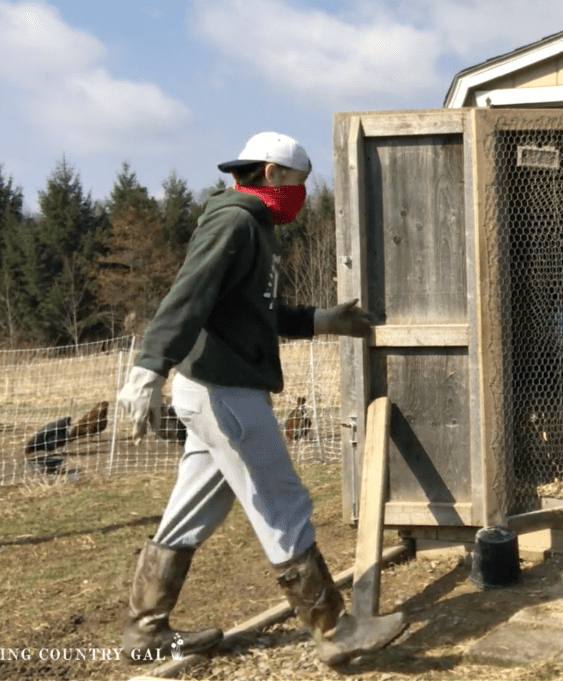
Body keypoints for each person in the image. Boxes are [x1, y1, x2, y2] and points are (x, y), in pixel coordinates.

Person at [115, 132, 406, 666]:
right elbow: (189, 293)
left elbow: (257, 314)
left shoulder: (256, 229)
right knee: (282, 501)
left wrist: (324, 321)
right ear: (272, 175)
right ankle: (334, 630)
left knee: (193, 507)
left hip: (217, 390)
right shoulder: (236, 221)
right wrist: (147, 368)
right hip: (223, 390)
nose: (300, 195)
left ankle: (145, 629)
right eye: (298, 183)